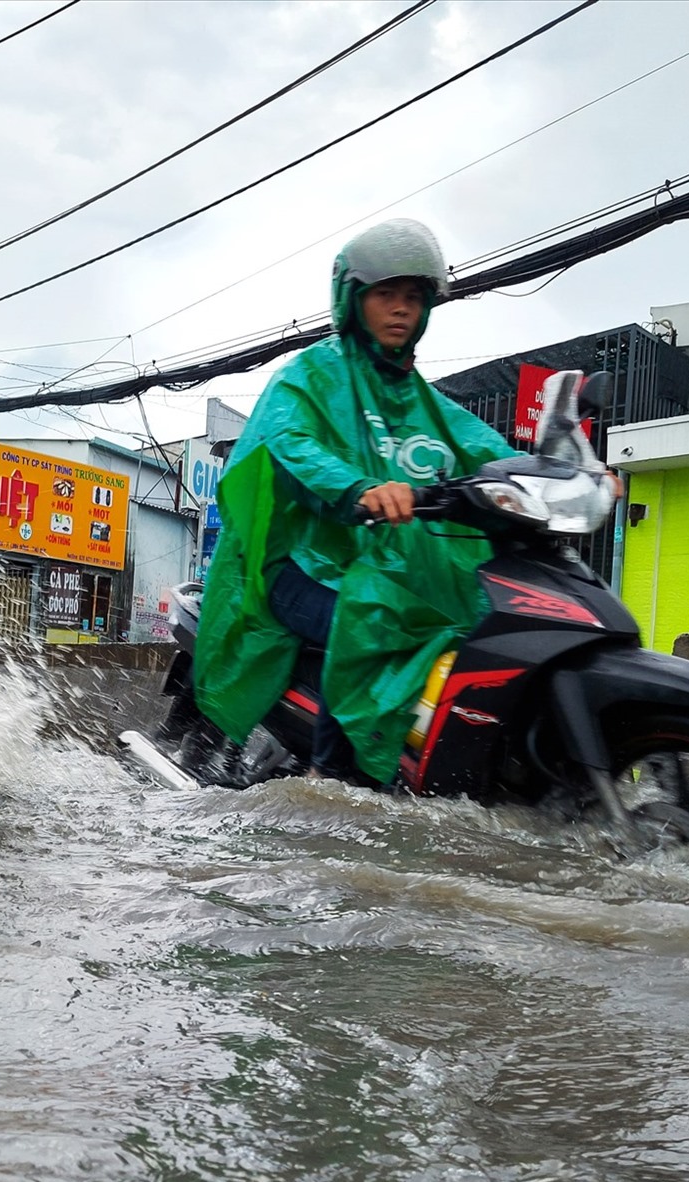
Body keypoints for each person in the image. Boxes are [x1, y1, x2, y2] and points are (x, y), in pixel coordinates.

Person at [192, 218, 517, 787]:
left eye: (413, 298)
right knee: (373, 619)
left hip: (386, 572)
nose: (400, 310)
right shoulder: (311, 375)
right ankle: (336, 780)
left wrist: (570, 472)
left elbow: (484, 448)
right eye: (385, 295)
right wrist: (358, 487)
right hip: (299, 568)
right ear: (353, 299)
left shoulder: (421, 399)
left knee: (481, 625)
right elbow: (288, 440)